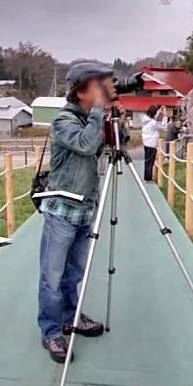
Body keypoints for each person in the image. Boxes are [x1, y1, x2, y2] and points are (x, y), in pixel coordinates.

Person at [37, 62, 123, 363]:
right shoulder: (63, 120)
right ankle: (51, 331)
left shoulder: (91, 118)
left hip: (86, 208)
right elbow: (86, 146)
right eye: (98, 86)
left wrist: (115, 121)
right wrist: (101, 110)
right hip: (62, 209)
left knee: (75, 273)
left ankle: (72, 317)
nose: (103, 90)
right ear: (80, 90)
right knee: (53, 274)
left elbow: (111, 146)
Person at [141, 106, 168, 182]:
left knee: (147, 160)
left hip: (146, 142)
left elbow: (154, 118)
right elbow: (164, 127)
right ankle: (148, 178)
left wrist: (159, 111)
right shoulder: (153, 123)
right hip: (151, 143)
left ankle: (147, 176)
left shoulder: (145, 119)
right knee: (150, 161)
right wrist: (165, 117)